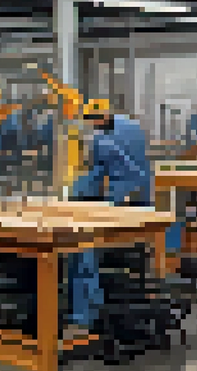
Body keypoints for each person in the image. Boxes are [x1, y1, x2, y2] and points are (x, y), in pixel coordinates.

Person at [65, 102, 152, 332]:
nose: (92, 125)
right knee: (127, 251)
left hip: (123, 200)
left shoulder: (102, 140)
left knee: (85, 248)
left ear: (102, 115)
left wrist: (74, 193)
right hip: (137, 197)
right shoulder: (131, 127)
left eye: (93, 120)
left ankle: (86, 313)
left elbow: (98, 171)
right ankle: (116, 298)